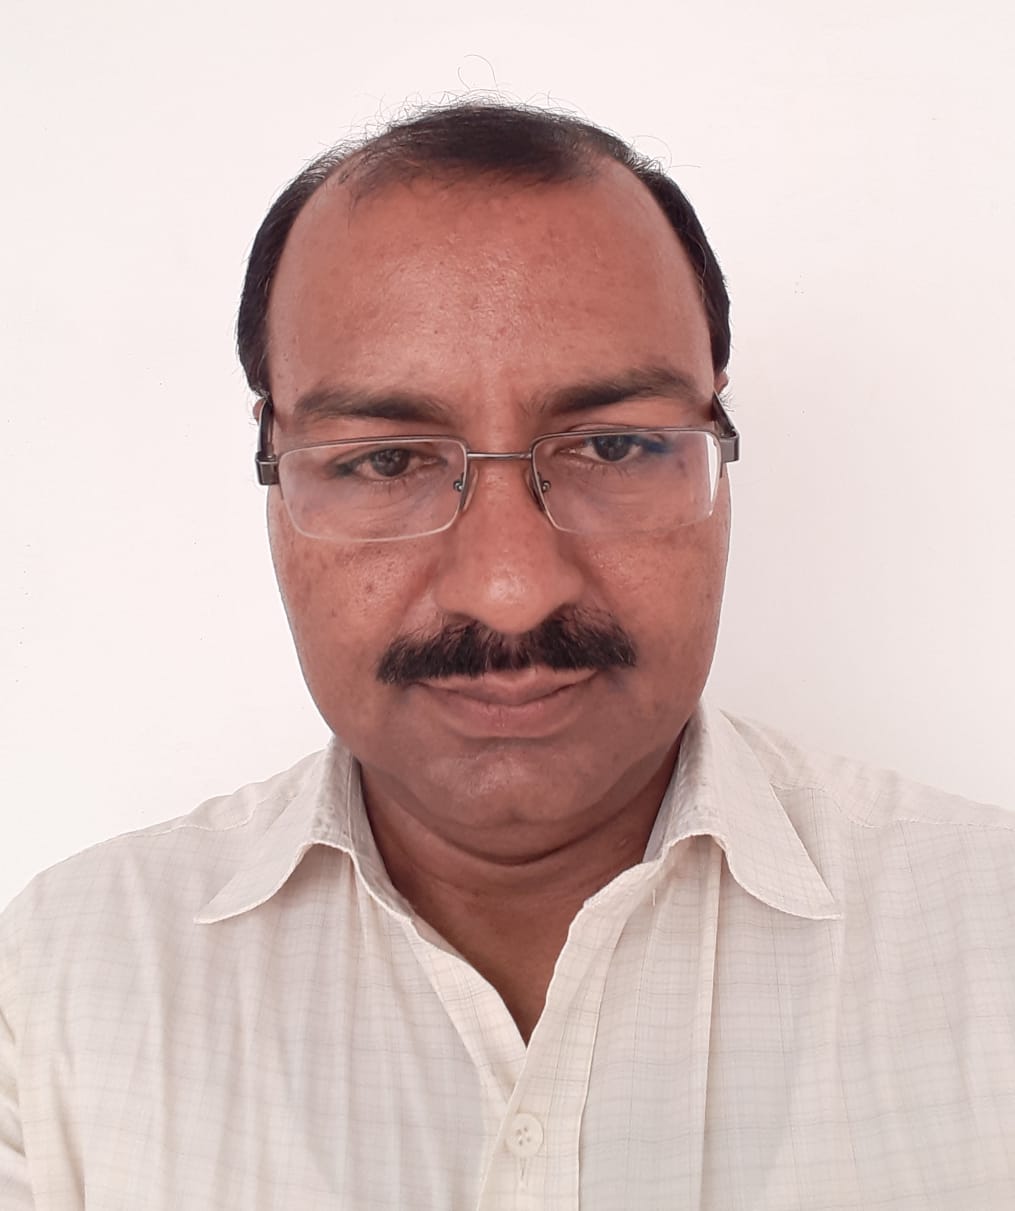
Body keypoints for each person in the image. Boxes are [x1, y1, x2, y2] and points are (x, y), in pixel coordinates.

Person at [1, 101, 1013, 1211]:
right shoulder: (54, 991)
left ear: (718, 449)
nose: (510, 586)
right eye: (386, 459)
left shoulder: (991, 939)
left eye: (613, 445)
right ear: (275, 470)